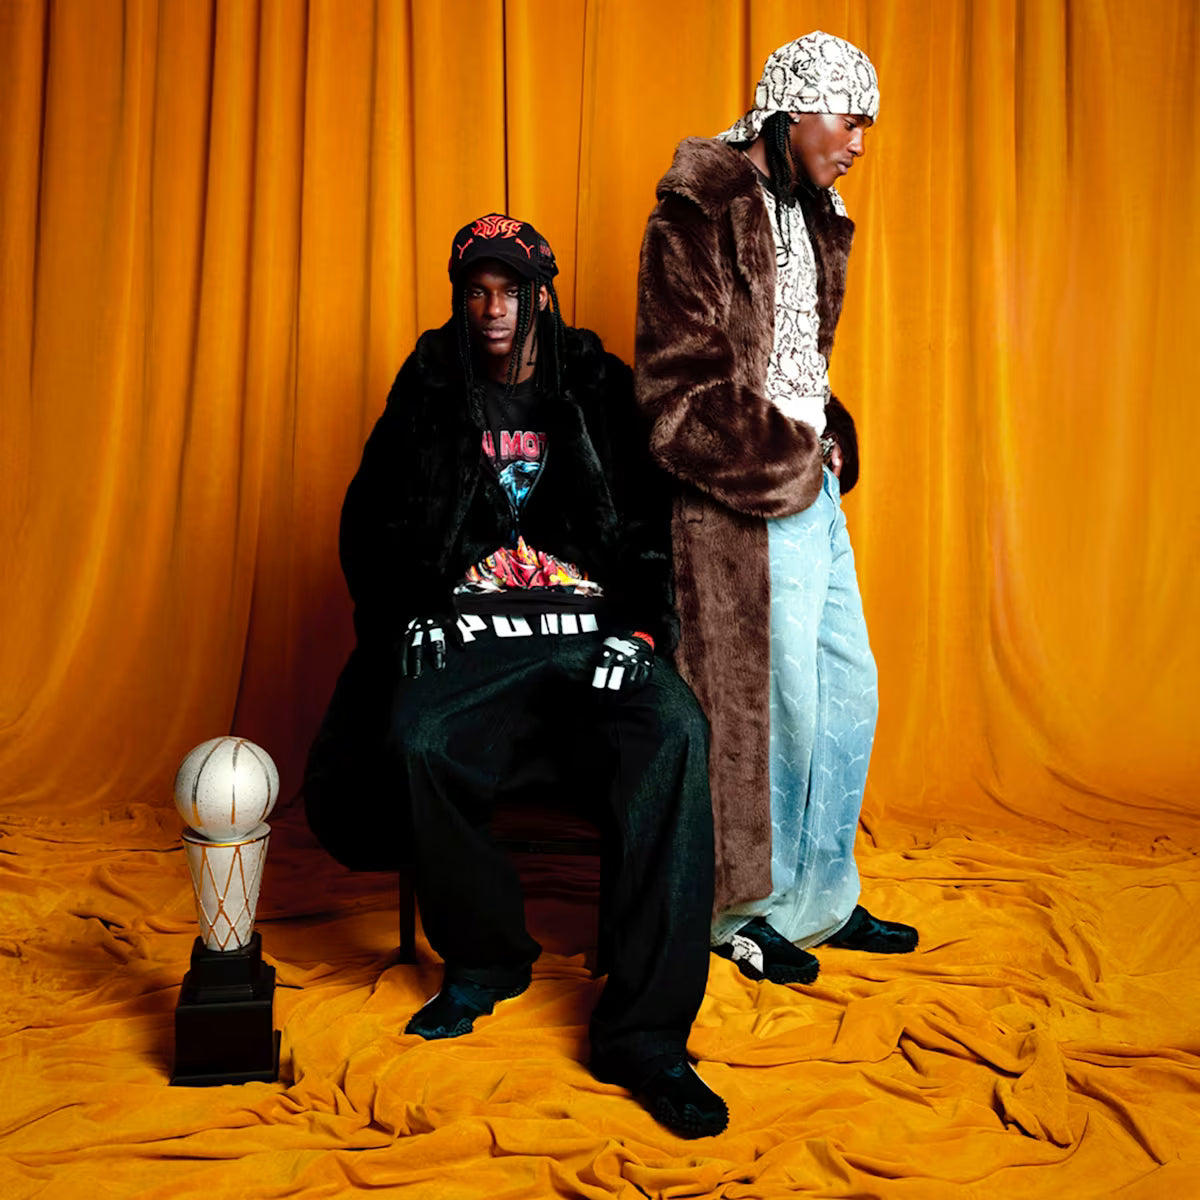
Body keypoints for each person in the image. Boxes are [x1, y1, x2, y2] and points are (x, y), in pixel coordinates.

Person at [304, 213, 728, 1138]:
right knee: (417, 739)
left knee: (677, 732)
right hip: (471, 632)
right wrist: (407, 613)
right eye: (477, 292)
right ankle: (487, 958)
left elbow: (652, 524)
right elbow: (370, 518)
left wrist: (644, 630)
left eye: (511, 291)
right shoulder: (429, 381)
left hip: (591, 632)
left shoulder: (597, 383)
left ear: (543, 296)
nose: (493, 308)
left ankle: (649, 1037)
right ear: (461, 300)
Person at [634, 32, 918, 988]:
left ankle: (821, 899)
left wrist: (826, 429)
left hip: (810, 489)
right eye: (851, 118)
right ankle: (738, 913)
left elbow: (793, 359)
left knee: (845, 692)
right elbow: (675, 397)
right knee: (767, 714)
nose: (860, 142)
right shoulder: (698, 210)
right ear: (794, 112)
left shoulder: (814, 210)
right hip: (745, 499)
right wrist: (790, 456)